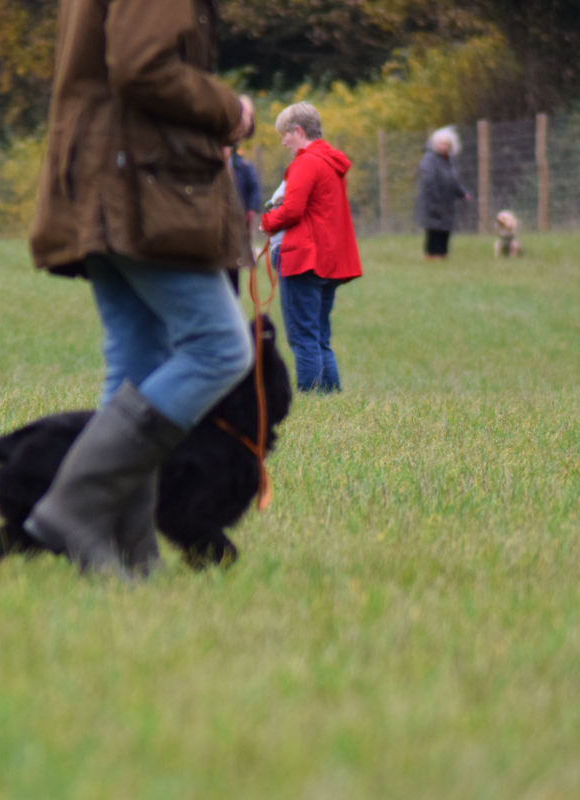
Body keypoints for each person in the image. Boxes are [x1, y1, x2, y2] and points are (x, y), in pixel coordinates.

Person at [22, 0, 257, 577]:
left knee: (135, 367)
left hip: (107, 179)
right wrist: (231, 110)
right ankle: (74, 511)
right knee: (219, 347)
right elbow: (140, 65)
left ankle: (131, 553)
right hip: (139, 187)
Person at [260, 102, 362, 393]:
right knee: (318, 336)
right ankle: (330, 397)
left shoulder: (306, 162)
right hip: (328, 259)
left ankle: (311, 398)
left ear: (298, 130)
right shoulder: (331, 161)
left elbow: (291, 210)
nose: (284, 141)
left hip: (304, 258)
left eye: (285, 135)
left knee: (303, 338)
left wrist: (267, 222)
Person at [414, 125, 470, 260]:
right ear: (434, 144)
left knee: (445, 228)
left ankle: (443, 254)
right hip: (433, 200)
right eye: (441, 144)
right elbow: (428, 181)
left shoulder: (449, 160)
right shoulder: (429, 159)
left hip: (447, 201)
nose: (443, 147)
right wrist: (435, 200)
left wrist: (462, 193)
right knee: (434, 229)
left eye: (446, 144)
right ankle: (430, 255)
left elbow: (453, 179)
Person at [224, 146, 262, 294]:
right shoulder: (211, 165)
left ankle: (234, 294)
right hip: (217, 224)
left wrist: (251, 209)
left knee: (234, 260)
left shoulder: (243, 166)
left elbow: (254, 189)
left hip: (238, 222)